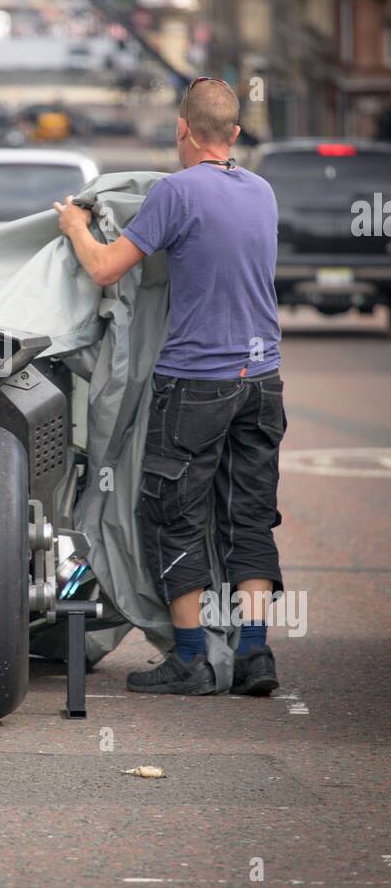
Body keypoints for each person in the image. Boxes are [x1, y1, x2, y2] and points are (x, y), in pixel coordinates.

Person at [54, 77, 285, 697]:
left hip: (196, 384)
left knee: (173, 515)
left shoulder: (176, 193)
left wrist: (76, 225)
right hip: (263, 381)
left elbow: (105, 267)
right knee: (249, 514)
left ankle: (192, 660)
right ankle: (256, 655)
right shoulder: (263, 192)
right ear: (233, 135)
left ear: (181, 129)